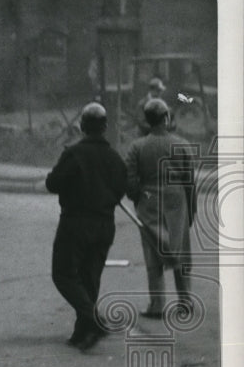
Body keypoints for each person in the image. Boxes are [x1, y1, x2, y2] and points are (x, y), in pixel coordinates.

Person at [45, 102, 127, 351]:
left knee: (64, 274)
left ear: (82, 127)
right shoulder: (115, 158)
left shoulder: (74, 154)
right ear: (104, 128)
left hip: (76, 223)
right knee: (90, 278)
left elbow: (53, 183)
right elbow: (121, 190)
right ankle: (82, 333)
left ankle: (92, 319)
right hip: (104, 225)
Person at [123, 98, 196, 318]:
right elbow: (190, 183)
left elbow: (131, 181)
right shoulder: (182, 145)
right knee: (180, 252)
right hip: (177, 202)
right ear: (166, 118)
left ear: (147, 120)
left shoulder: (137, 146)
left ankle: (157, 305)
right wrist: (191, 210)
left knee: (153, 255)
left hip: (149, 203)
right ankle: (185, 302)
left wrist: (138, 200)